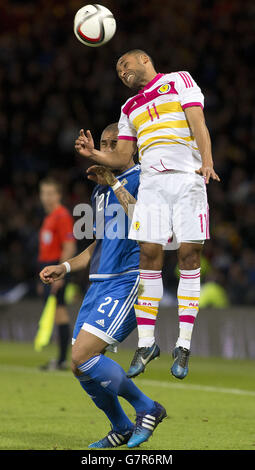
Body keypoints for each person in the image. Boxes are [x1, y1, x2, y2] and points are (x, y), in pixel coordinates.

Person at [74, 49, 220, 380]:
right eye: (117, 70)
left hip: (186, 179)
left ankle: (183, 344)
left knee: (188, 256)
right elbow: (123, 154)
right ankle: (147, 343)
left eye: (125, 64)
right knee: (149, 256)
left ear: (144, 60)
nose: (121, 71)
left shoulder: (178, 80)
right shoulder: (129, 108)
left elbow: (198, 122)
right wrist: (93, 153)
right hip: (152, 185)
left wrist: (207, 160)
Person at [39, 123, 166, 449]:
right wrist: (65, 267)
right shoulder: (99, 191)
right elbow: (98, 244)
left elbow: (148, 226)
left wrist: (115, 184)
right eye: (104, 145)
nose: (108, 150)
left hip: (128, 281)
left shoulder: (145, 180)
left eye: (115, 145)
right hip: (98, 284)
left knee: (84, 354)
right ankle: (120, 426)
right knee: (78, 366)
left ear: (131, 148)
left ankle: (146, 407)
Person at [38, 177, 76, 370]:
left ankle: (62, 360)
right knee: (57, 313)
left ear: (59, 195)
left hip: (56, 269)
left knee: (60, 312)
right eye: (44, 193)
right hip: (48, 268)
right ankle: (60, 358)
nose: (46, 197)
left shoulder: (61, 216)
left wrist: (59, 273)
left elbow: (69, 245)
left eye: (50, 193)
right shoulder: (50, 217)